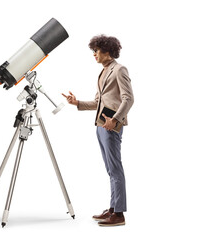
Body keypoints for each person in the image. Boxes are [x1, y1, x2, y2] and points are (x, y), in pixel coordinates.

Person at [62, 35, 134, 226]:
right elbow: (97, 102)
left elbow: (128, 99)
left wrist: (116, 120)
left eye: (96, 51)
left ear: (107, 51)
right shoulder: (103, 72)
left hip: (112, 126)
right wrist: (77, 103)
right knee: (111, 170)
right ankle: (113, 208)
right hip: (101, 126)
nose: (94, 54)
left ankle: (119, 214)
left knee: (115, 169)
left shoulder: (119, 70)